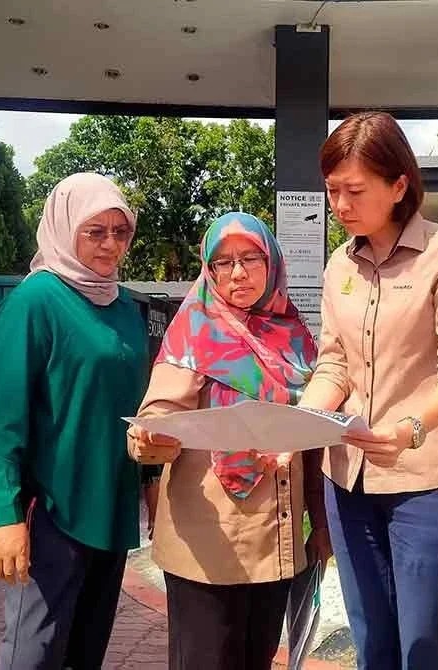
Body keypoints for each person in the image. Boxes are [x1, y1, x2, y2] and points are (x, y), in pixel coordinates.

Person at [299, 111, 438, 670]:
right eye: (332, 191)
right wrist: (295, 427)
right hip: (348, 480)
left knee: (423, 645)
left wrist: (412, 429)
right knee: (372, 641)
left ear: (399, 184)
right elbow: (333, 364)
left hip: (429, 481)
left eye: (354, 190)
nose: (340, 205)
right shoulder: (339, 266)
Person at [127, 212, 332, 670]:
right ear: (209, 269)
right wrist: (149, 436)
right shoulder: (193, 329)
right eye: (222, 263)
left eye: (249, 259)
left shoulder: (296, 338)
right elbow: (158, 411)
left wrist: (320, 524)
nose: (237, 273)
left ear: (272, 261)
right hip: (206, 544)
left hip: (274, 540)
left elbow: (314, 440)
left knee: (257, 659)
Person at [0, 172, 148, 670]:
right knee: (34, 653)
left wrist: (153, 477)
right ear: (64, 227)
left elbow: (140, 402)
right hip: (51, 509)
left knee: (84, 652)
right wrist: (3, 514)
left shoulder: (123, 306)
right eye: (95, 231)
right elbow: (3, 418)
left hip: (110, 508)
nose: (110, 244)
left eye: (121, 232)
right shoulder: (36, 301)